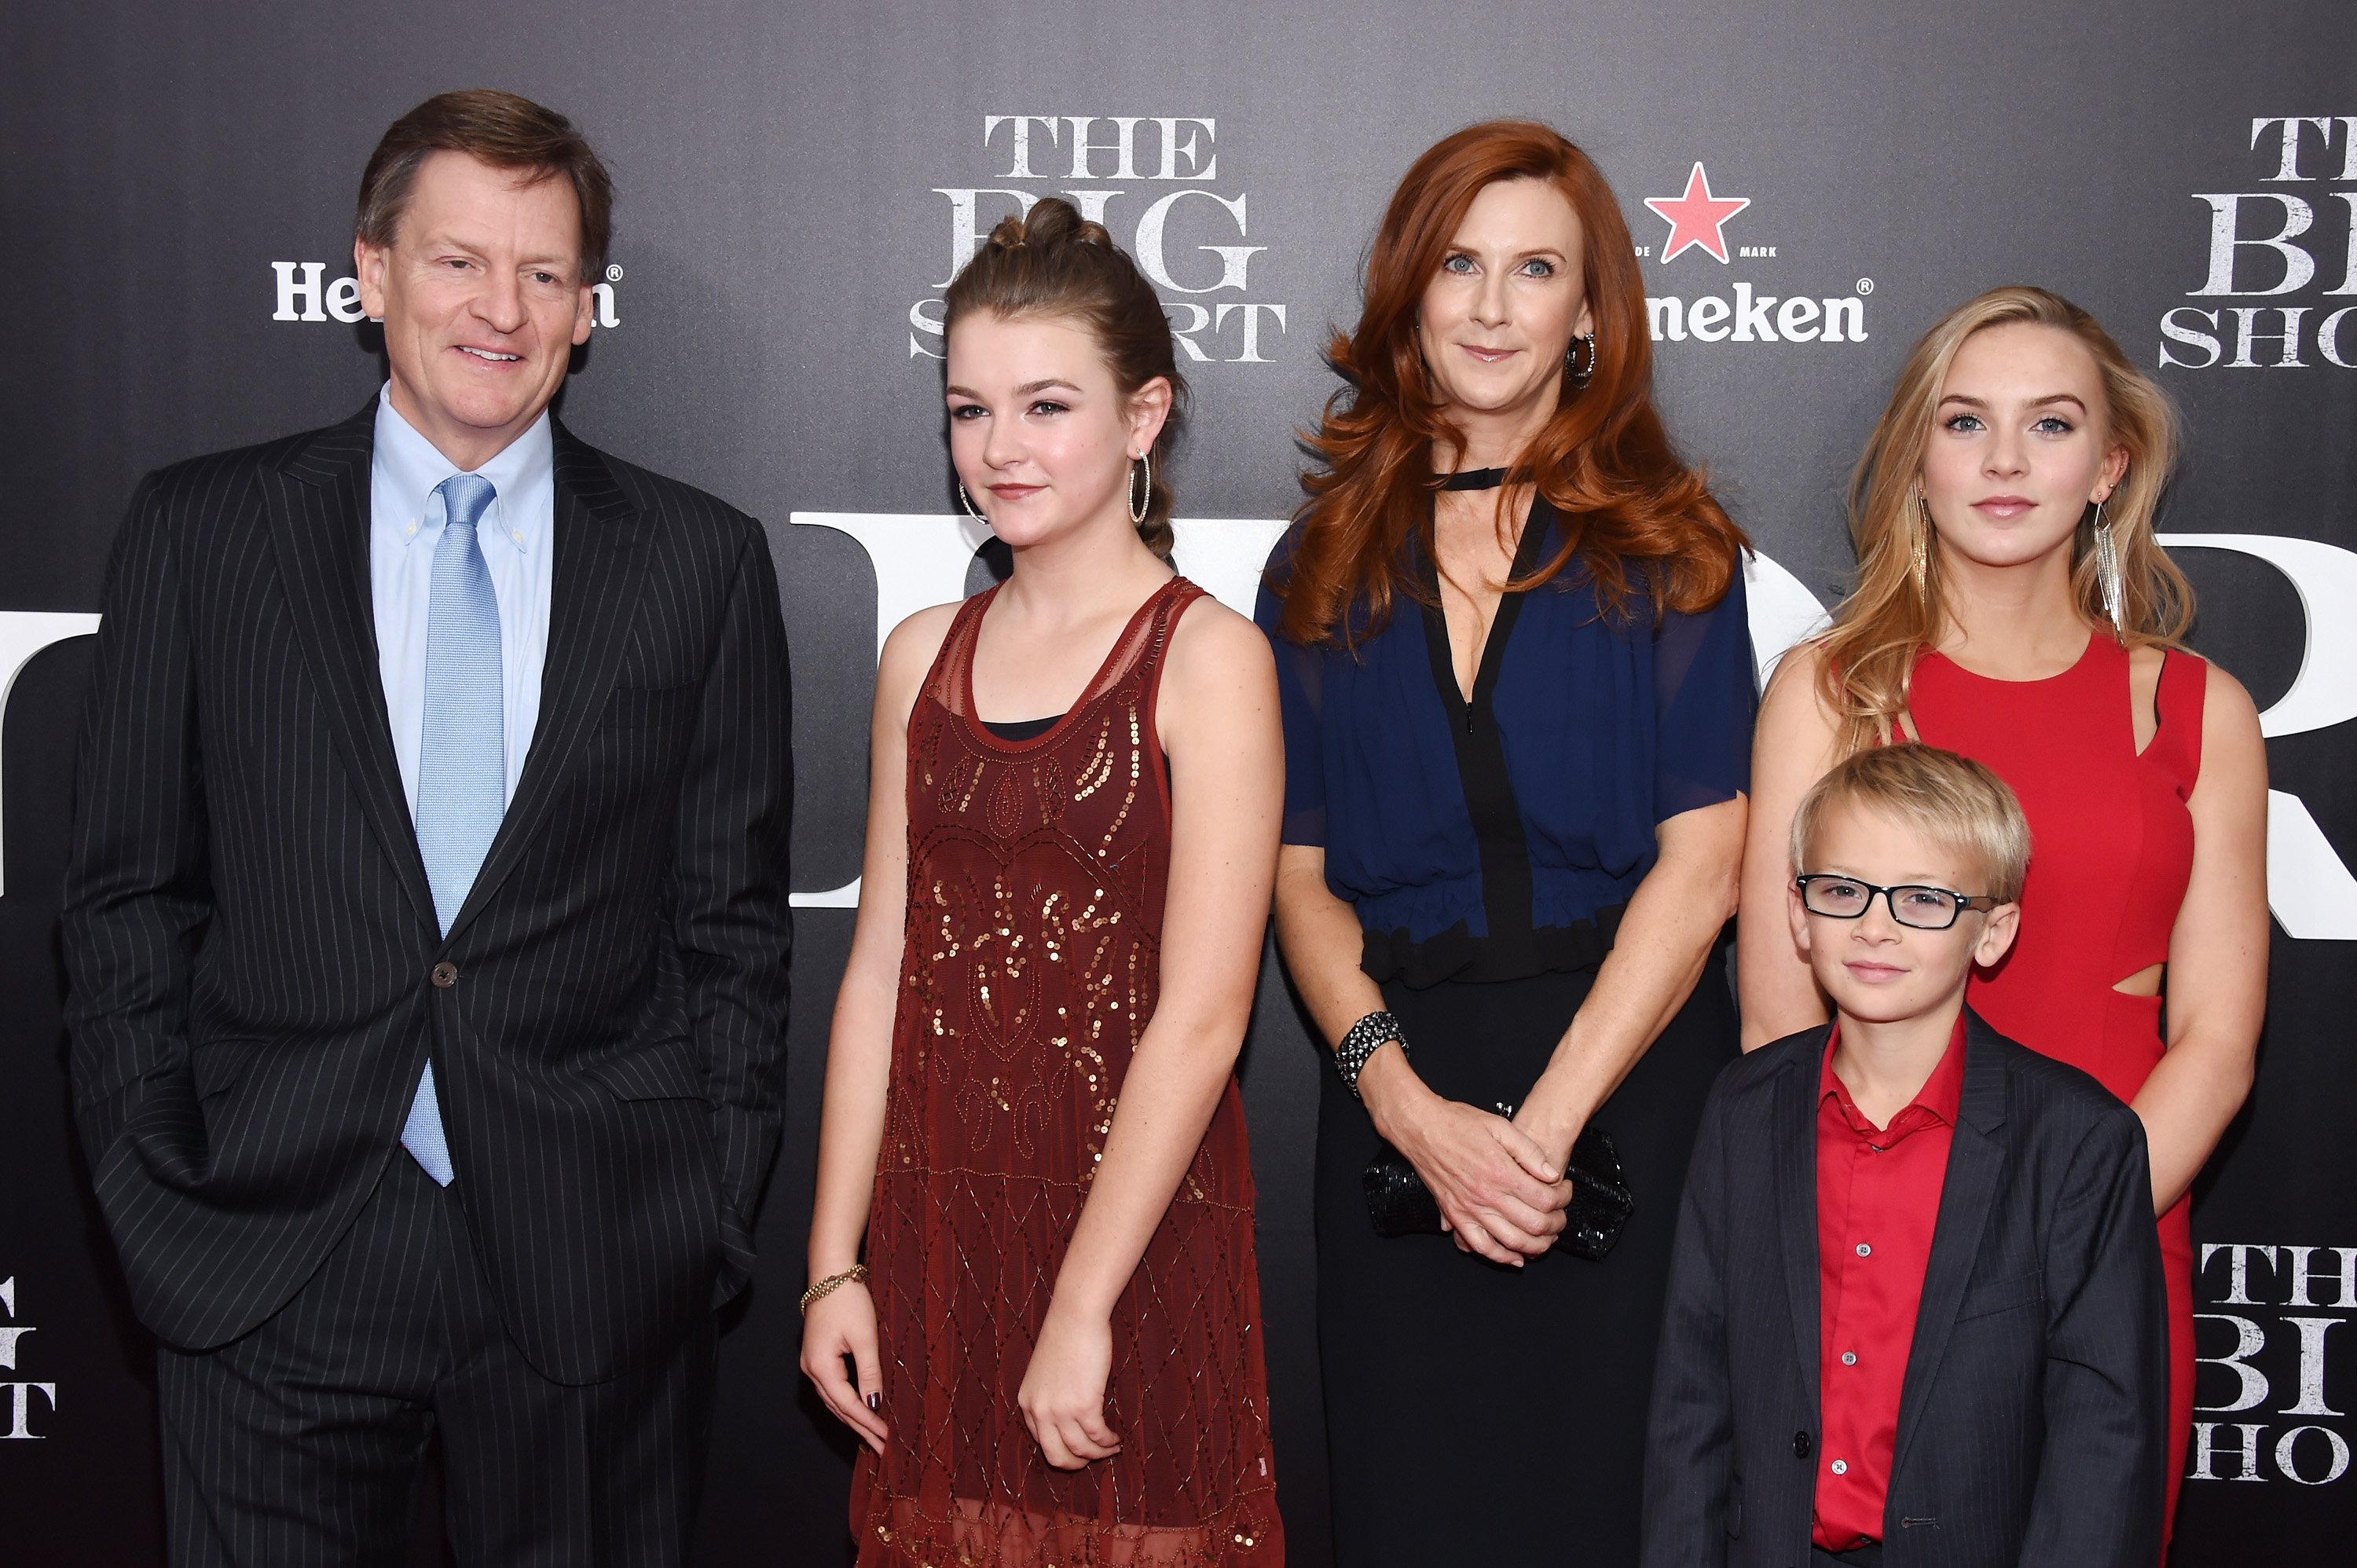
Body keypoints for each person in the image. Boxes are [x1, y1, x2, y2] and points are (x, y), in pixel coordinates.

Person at [61, 90, 792, 1564]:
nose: (500, 310)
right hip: (269, 1245)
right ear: (372, 274)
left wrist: (695, 1215)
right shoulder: (203, 535)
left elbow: (728, 926)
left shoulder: (698, 563)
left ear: (588, 309)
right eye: (458, 261)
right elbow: (128, 899)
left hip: (592, 1262)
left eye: (543, 274)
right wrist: (158, 1195)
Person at [1255, 121, 1756, 1564]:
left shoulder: (1674, 548)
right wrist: (1411, 1114)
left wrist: (1536, 1141)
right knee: (1418, 1507)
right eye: (1459, 265)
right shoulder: (1321, 563)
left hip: (1629, 1098)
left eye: (1534, 268)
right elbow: (1297, 880)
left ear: (1589, 313)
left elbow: (1705, 864)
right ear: (1410, 298)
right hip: (1399, 1099)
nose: (1490, 305)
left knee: (1622, 1509)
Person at [798, 197, 1285, 1566]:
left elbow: (1204, 1017)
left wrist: (1083, 1306)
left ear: (1144, 417)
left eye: (1046, 405)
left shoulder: (1208, 661)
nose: (1000, 449)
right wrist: (836, 1262)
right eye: (970, 409)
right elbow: (881, 972)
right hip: (942, 1233)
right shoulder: (919, 656)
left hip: (1136, 1247)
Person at [1736, 286, 2268, 1534]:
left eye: (2052, 424)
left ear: (2109, 465)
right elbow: (1776, 1018)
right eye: (1967, 422)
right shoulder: (1831, 693)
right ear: (1920, 457)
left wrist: (2050, 1248)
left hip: (2114, 1239)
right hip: (1868, 1258)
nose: (2008, 460)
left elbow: (2219, 1043)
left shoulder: (2202, 712)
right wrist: (1911, 1244)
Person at [1646, 743, 2168, 1566]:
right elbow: (1691, 1394)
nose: (1876, 925)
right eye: (1843, 890)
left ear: (1992, 931)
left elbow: (2103, 1443)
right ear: (1797, 913)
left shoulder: (2079, 1142)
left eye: (1924, 898)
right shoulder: (1741, 1110)